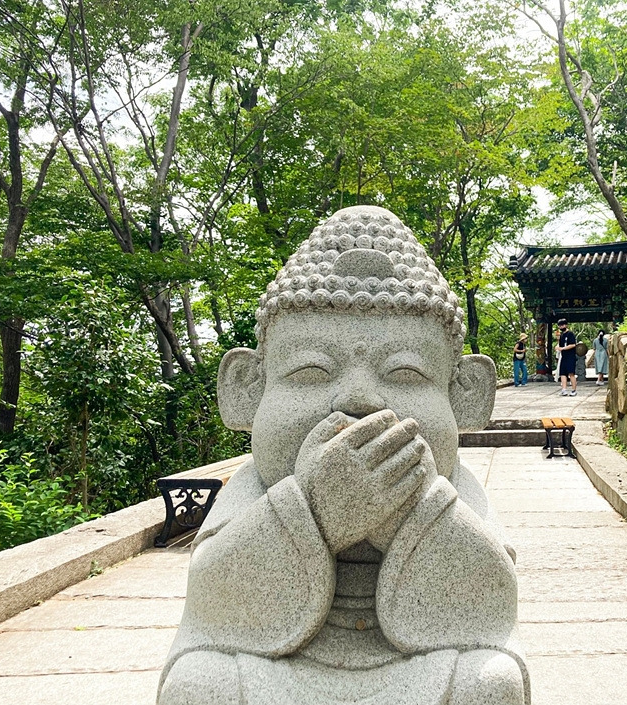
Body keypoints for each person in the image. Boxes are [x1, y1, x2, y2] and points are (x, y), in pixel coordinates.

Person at [158, 206, 529, 705]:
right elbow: (217, 606)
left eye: (404, 374)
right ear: (246, 389)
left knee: (490, 683)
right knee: (198, 685)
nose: (359, 399)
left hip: (425, 660)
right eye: (311, 370)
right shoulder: (251, 488)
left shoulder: (460, 489)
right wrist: (315, 508)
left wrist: (407, 514)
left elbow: (488, 604)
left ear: (466, 395)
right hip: (269, 661)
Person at [555, 318, 578, 396]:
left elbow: (573, 344)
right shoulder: (561, 335)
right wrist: (558, 347)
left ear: (566, 325)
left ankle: (574, 390)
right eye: (560, 326)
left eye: (562, 325)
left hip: (570, 356)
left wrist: (563, 348)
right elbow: (560, 345)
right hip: (563, 356)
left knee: (571, 373)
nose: (561, 327)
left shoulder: (570, 334)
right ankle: (564, 389)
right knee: (562, 373)